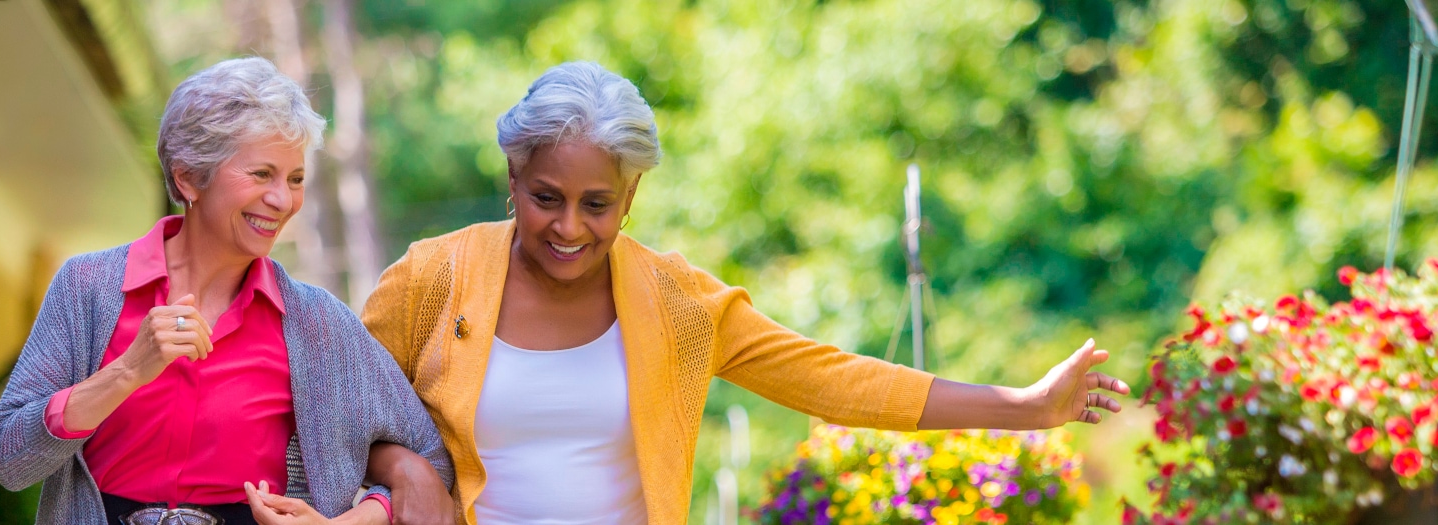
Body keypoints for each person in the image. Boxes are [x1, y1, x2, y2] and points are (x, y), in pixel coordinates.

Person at [359, 61, 1136, 524]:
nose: (568, 226)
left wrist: (1025, 407)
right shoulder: (436, 276)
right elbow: (338, 406)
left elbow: (833, 380)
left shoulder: (677, 302)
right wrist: (404, 465)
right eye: (544, 196)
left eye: (595, 204)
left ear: (630, 199)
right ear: (512, 179)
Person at [0, 57, 453, 525]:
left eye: (295, 179)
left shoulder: (319, 323)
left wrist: (346, 523)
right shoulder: (87, 288)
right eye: (261, 174)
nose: (282, 200)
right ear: (188, 177)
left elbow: (431, 460)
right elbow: (9, 458)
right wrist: (127, 370)